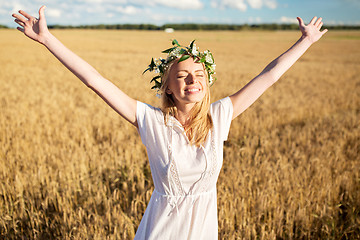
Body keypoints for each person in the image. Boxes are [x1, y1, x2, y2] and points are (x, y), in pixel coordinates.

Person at [12, 6, 328, 239]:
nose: (193, 81)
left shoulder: (219, 116)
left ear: (208, 82)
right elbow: (96, 81)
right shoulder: (151, 121)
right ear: (167, 87)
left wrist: (306, 41)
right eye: (182, 76)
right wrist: (48, 40)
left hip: (203, 232)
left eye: (199, 75)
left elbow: (268, 76)